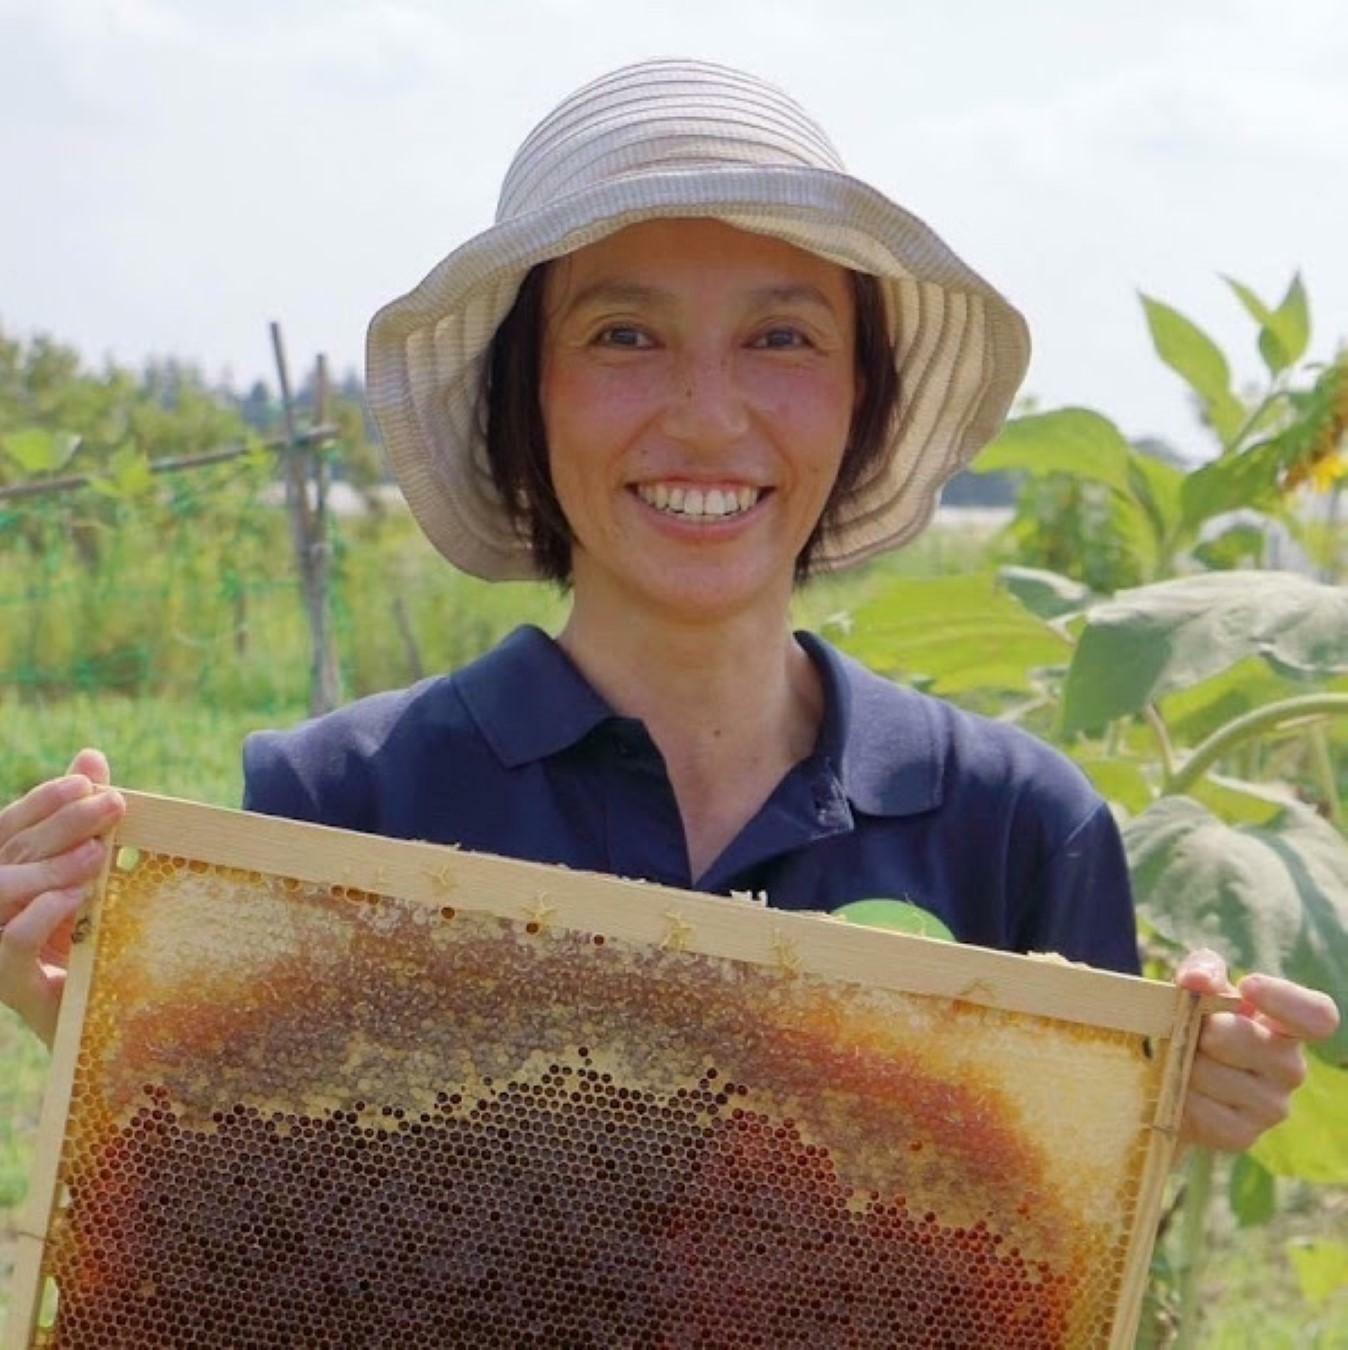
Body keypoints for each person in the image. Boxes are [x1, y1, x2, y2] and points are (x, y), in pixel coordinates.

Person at [0, 59, 1336, 1162]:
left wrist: (1178, 1090)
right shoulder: (336, 804)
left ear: (864, 394)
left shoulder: (1017, 831)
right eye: (625, 334)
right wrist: (126, 1046)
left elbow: (1052, 1251)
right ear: (528, 391)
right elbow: (263, 1230)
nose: (707, 415)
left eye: (783, 336)